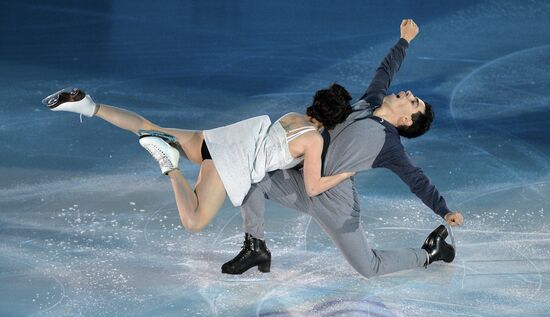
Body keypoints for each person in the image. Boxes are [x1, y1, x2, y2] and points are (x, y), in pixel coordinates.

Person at [221, 19, 464, 276]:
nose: (409, 93)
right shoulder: (369, 102)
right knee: (250, 177)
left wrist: (444, 210)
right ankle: (255, 246)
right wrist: (404, 41)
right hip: (301, 181)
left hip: (336, 203)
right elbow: (385, 71)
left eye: (413, 102)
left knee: (369, 268)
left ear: (406, 120)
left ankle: (430, 252)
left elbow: (417, 179)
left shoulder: (389, 145)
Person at [42, 84, 356, 239]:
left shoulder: (293, 116)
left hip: (219, 139)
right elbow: (313, 187)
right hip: (229, 160)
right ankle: (170, 165)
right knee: (194, 221)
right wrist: (345, 173)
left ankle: (89, 106)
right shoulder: (314, 140)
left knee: (149, 127)